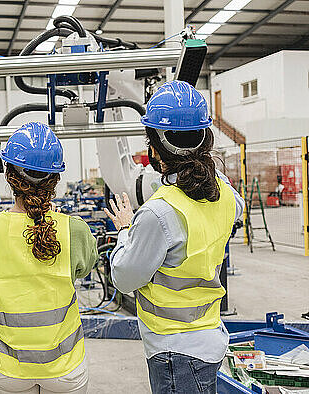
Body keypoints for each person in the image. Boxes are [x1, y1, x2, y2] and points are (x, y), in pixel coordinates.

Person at [104, 81, 245, 394]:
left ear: (154, 148)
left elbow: (125, 278)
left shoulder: (158, 214)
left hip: (174, 349)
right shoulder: (226, 197)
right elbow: (233, 201)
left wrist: (126, 230)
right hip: (209, 338)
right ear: (205, 140)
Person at [0, 122, 98, 394]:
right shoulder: (72, 229)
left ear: (9, 175)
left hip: (10, 368)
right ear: (55, 179)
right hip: (64, 368)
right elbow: (87, 265)